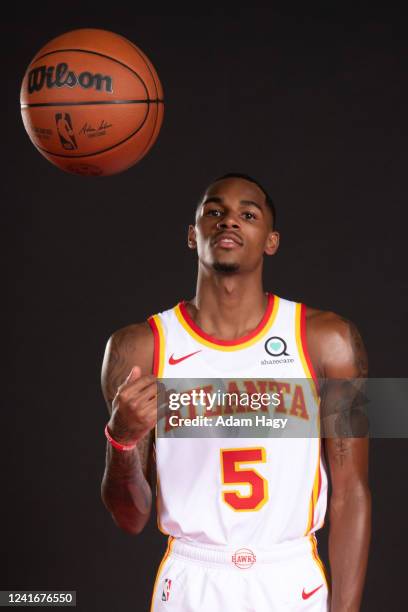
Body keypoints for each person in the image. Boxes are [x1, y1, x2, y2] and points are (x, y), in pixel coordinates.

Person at [100, 174, 371, 611]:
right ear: (193, 235)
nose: (229, 222)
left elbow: (352, 491)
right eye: (214, 212)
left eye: (248, 214)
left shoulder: (327, 340)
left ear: (271, 241)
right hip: (193, 578)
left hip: (290, 578)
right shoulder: (138, 348)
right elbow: (131, 518)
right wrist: (121, 439)